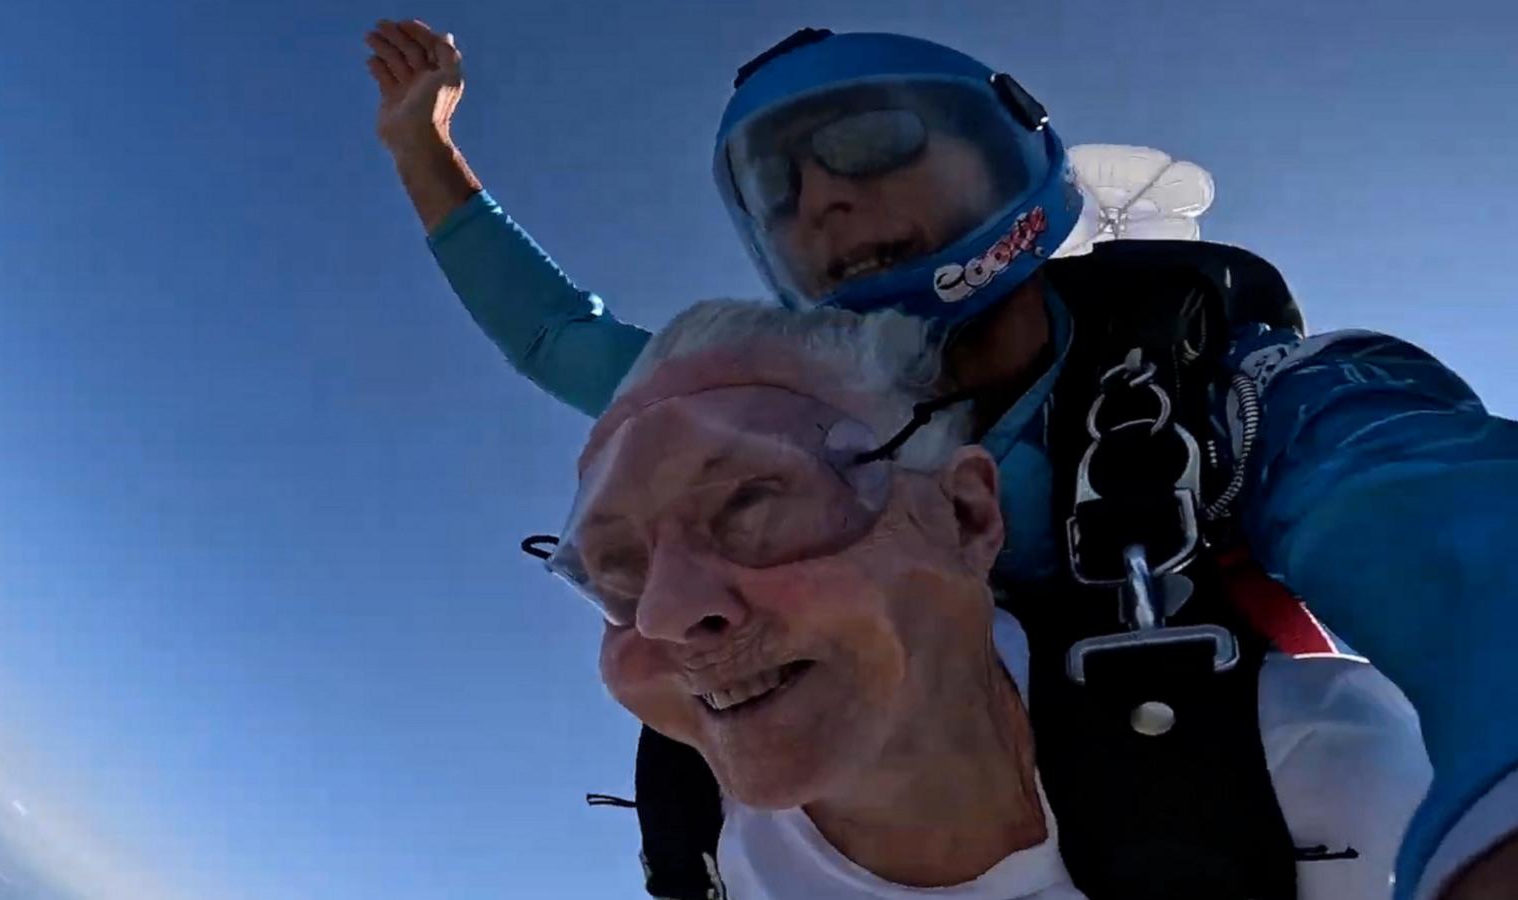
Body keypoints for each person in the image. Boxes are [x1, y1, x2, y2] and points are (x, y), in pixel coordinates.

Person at [364, 20, 1518, 899]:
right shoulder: (766, 412)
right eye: (780, 192)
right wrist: (420, 145)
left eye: (868, 143)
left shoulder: (1224, 385)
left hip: (1204, 795)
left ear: (1001, 148)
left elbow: (1436, 511)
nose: (822, 201)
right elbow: (557, 337)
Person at [525, 297, 1428, 900]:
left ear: (965, 515)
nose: (665, 615)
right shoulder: (697, 829)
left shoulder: (1310, 772)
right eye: (614, 572)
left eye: (753, 505)